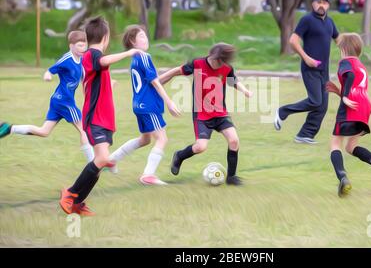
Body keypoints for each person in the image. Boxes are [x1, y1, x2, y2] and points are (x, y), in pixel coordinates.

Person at [59, 16, 143, 216]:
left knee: (100, 161)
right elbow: (103, 61)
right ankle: (70, 193)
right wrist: (130, 52)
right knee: (103, 159)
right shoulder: (92, 55)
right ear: (105, 37)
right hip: (95, 118)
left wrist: (109, 85)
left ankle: (77, 203)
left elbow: (93, 81)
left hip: (103, 118)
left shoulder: (93, 59)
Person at [159, 43, 253, 185]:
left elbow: (233, 81)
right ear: (212, 56)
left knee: (234, 140)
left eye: (220, 62)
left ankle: (231, 177)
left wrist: (244, 90)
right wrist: (158, 81)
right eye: (215, 60)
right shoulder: (197, 64)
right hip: (202, 115)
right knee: (200, 147)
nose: (217, 64)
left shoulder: (227, 68)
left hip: (220, 113)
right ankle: (179, 156)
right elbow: (177, 71)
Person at [0, 31, 94, 163]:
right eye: (79, 46)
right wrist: (48, 75)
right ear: (71, 46)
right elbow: (51, 69)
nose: (82, 49)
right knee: (84, 129)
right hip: (64, 102)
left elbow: (83, 80)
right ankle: (94, 164)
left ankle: (10, 128)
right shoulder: (67, 59)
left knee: (44, 131)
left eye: (84, 46)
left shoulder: (82, 60)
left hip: (59, 101)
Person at [108, 25, 181, 185]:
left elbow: (153, 81)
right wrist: (169, 102)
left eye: (145, 35)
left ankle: (112, 159)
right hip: (149, 106)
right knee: (162, 138)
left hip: (139, 105)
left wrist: (175, 72)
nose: (145, 38)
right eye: (141, 36)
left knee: (145, 139)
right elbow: (155, 82)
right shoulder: (144, 57)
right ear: (133, 42)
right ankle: (148, 175)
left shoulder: (136, 59)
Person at [326, 33, 371, 197]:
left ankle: (343, 178)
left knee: (335, 144)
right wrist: (338, 91)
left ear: (344, 49)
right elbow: (356, 83)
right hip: (364, 105)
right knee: (351, 146)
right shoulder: (361, 66)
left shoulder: (345, 62)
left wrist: (346, 96)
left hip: (351, 106)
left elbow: (349, 75)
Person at [274, 0, 339, 144]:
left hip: (324, 71)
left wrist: (352, 49)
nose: (321, 5)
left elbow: (339, 40)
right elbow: (293, 41)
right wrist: (306, 58)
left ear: (328, 5)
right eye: (319, 2)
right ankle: (282, 111)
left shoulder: (330, 22)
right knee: (316, 101)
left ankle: (305, 134)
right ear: (313, 4)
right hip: (309, 69)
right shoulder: (307, 20)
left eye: (325, 2)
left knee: (323, 106)